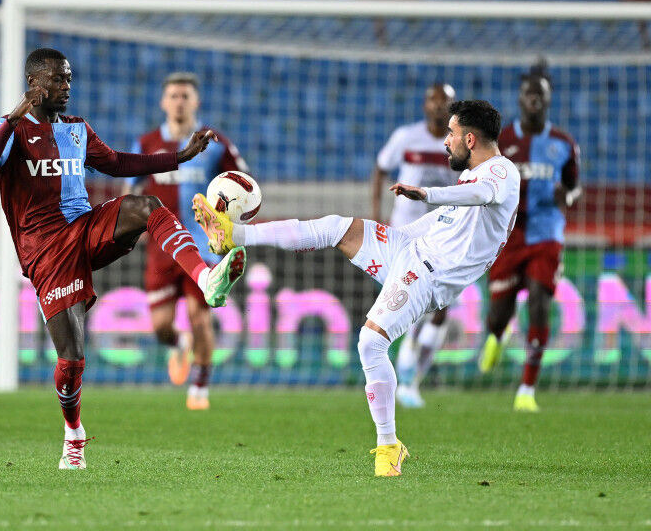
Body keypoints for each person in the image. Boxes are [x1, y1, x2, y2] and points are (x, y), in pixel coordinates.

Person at [194, 100, 519, 477]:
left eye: (450, 133)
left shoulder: (501, 172)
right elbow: (446, 223)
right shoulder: (474, 177)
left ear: (470, 138)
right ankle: (235, 234)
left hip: (429, 276)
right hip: (409, 250)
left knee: (370, 342)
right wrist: (395, 236)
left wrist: (426, 193)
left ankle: (389, 447)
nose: (445, 141)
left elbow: (477, 197)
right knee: (336, 226)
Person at [0, 48, 246, 470]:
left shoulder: (77, 130)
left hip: (85, 227)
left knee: (146, 205)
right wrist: (11, 117)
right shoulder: (11, 130)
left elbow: (117, 162)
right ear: (34, 84)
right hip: (46, 253)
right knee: (73, 358)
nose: (67, 87)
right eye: (59, 79)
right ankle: (74, 433)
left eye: (69, 79)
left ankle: (206, 278)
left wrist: (180, 157)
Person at [126, 72, 248, 410]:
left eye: (185, 96)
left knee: (200, 316)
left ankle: (200, 386)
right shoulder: (147, 144)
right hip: (162, 247)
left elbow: (243, 186)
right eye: (174, 96)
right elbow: (130, 187)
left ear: (196, 101)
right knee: (161, 327)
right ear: (164, 102)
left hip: (203, 246)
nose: (179, 101)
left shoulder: (216, 143)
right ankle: (179, 345)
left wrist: (231, 224)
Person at [479, 72, 580, 413]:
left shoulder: (564, 143)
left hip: (547, 234)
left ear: (548, 100)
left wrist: (565, 194)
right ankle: (498, 334)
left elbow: (575, 187)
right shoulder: (501, 141)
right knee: (498, 313)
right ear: (520, 99)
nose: (534, 99)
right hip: (508, 235)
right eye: (529, 93)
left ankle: (526, 389)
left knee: (539, 301)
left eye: (541, 94)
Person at [371, 83, 458, 408]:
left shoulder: (458, 143)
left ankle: (412, 378)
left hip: (442, 234)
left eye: (445, 102)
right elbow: (381, 168)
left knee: (440, 308)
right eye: (433, 101)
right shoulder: (407, 137)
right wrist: (377, 214)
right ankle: (401, 372)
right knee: (412, 297)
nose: (438, 107)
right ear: (425, 105)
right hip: (406, 232)